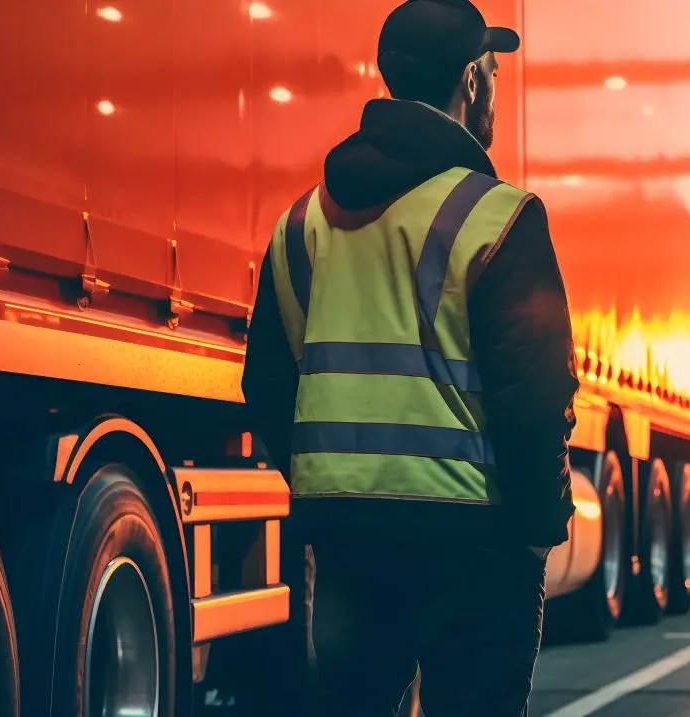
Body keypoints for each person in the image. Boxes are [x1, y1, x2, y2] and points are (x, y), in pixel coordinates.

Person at [240, 0, 579, 714]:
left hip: (343, 534)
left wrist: (326, 480)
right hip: (473, 539)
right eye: (490, 71)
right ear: (472, 83)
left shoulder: (302, 223)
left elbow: (268, 382)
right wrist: (537, 530)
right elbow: (536, 397)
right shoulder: (499, 217)